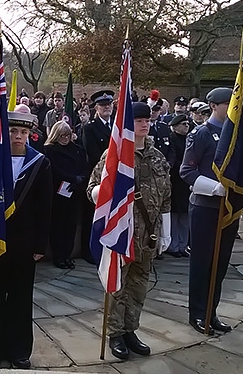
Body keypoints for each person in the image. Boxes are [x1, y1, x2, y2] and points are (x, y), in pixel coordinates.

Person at [88, 102, 171, 360]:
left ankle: (130, 330)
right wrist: (105, 192)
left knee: (139, 285)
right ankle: (115, 334)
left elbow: (166, 193)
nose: (144, 124)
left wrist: (166, 230)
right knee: (117, 285)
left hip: (148, 233)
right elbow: (92, 187)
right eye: (138, 120)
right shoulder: (114, 154)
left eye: (147, 120)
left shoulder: (157, 156)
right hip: (122, 231)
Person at [0, 110, 52, 370]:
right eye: (13, 131)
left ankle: (19, 350)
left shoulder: (40, 163)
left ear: (30, 133)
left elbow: (45, 207)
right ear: (5, 132)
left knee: (21, 298)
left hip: (25, 242)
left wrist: (40, 245)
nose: (18, 136)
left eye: (23, 132)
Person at [180, 87, 237, 335]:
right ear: (214, 106)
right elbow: (186, 170)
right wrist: (215, 188)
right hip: (206, 206)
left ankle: (212, 312)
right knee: (203, 262)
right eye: (228, 104)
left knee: (221, 263)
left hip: (229, 208)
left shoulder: (234, 134)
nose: (232, 109)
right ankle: (198, 313)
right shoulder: (201, 134)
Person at [44, 120, 87, 269]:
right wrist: (72, 178)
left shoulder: (77, 149)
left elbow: (84, 166)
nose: (65, 139)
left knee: (71, 225)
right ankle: (58, 256)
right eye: (62, 136)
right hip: (58, 191)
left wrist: (79, 181)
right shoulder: (50, 150)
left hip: (74, 191)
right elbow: (54, 169)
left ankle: (67, 255)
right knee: (58, 225)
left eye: (67, 135)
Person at [80, 89, 115, 264]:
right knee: (92, 215)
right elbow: (93, 154)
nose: (106, 107)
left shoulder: (117, 127)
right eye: (102, 105)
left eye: (109, 104)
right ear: (96, 108)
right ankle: (89, 250)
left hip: (116, 176)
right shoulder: (90, 128)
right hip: (97, 176)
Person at [167, 114, 192, 257]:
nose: (186, 126)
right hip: (176, 180)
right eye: (183, 124)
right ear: (175, 127)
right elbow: (172, 158)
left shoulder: (190, 139)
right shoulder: (172, 139)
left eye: (187, 124)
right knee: (175, 215)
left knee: (185, 215)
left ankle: (183, 245)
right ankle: (173, 245)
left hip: (187, 183)